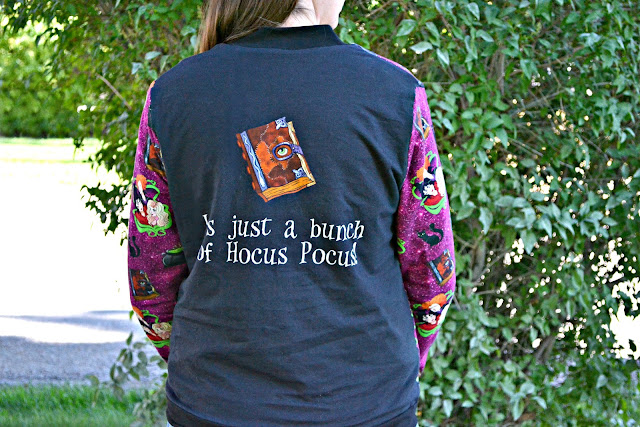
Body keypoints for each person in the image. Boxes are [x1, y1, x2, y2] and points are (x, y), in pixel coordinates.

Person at [126, 0, 456, 426]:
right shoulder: (396, 92)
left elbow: (150, 275)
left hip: (216, 401)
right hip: (366, 402)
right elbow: (432, 270)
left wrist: (197, 364)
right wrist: (400, 365)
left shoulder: (171, 96)